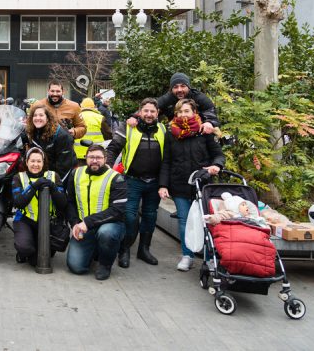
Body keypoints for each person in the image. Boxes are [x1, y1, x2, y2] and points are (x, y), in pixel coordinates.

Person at [159, 98, 225, 271]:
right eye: (179, 112)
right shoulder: (171, 133)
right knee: (184, 220)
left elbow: (218, 155)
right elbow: (166, 161)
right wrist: (163, 185)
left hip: (203, 185)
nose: (183, 115)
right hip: (179, 184)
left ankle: (209, 257)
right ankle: (187, 255)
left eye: (186, 111)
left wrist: (216, 166)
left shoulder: (205, 132)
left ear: (194, 112)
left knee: (206, 221)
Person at [105, 98, 168, 268]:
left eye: (152, 111)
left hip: (154, 183)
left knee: (150, 216)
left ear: (157, 113)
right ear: (139, 112)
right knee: (130, 217)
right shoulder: (128, 127)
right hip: (132, 180)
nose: (148, 114)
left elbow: (168, 158)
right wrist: (107, 171)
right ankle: (124, 249)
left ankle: (144, 249)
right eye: (145, 111)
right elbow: (112, 149)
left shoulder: (163, 129)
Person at [66, 144, 127, 280]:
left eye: (98, 157)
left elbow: (117, 211)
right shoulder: (76, 174)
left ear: (105, 159)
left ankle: (105, 264)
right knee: (76, 267)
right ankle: (94, 250)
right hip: (84, 227)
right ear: (86, 158)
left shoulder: (116, 178)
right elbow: (70, 202)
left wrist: (87, 222)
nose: (94, 160)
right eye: (91, 157)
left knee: (106, 234)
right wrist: (75, 223)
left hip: (110, 224)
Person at [11, 148, 67, 264]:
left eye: (39, 161)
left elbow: (63, 204)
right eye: (32, 161)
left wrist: (53, 188)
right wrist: (34, 186)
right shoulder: (18, 177)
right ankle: (23, 251)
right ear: (26, 162)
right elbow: (19, 203)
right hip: (25, 220)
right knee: (25, 248)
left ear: (43, 162)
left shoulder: (53, 176)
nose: (35, 164)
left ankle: (36, 249)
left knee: (39, 259)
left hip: (48, 222)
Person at [25, 104, 77, 180]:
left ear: (48, 118)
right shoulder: (33, 131)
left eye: (41, 115)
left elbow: (64, 166)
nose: (37, 118)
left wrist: (56, 183)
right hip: (44, 172)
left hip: (61, 175)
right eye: (35, 115)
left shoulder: (61, 136)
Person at [74, 98, 112, 162]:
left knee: (79, 171)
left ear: (81, 106)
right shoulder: (100, 118)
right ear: (94, 106)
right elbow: (108, 135)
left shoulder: (75, 117)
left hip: (77, 154)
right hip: (95, 154)